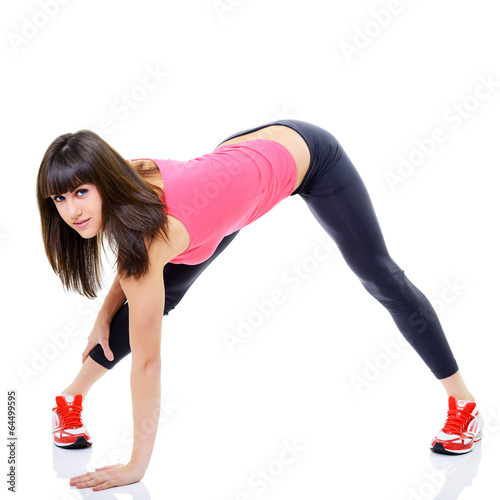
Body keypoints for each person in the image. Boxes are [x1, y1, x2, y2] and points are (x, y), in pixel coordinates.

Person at [37, 119, 483, 491]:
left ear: (107, 180)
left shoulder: (151, 229)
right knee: (156, 298)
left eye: (81, 193)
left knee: (380, 274)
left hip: (307, 157)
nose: (72, 211)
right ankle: (70, 397)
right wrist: (104, 311)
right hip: (232, 180)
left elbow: (148, 362)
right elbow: (137, 259)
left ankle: (463, 405)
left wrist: (137, 466)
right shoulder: (130, 187)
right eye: (60, 198)